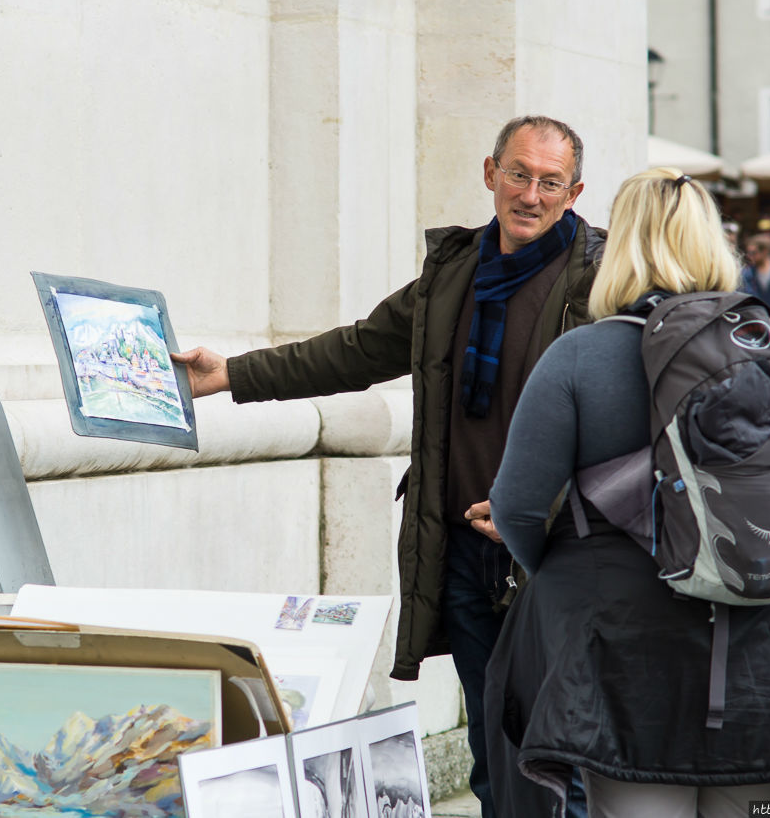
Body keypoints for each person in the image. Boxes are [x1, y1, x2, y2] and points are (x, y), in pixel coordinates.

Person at [175, 115, 606, 818]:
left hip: (555, 558)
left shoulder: (602, 278)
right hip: (465, 555)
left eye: (550, 181)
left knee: (561, 756)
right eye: (520, 174)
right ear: (490, 172)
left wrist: (543, 509)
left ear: (575, 190)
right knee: (492, 758)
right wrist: (231, 373)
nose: (531, 194)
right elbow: (356, 350)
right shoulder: (454, 273)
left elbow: (629, 429)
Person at [483, 168, 770, 817]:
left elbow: (517, 507)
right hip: (764, 642)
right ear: (712, 242)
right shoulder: (769, 346)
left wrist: (574, 568)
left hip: (627, 651)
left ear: (622, 247)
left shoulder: (579, 356)